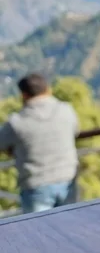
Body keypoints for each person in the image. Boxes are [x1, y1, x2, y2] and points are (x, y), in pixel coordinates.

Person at [0, 74, 79, 213]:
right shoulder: (66, 110)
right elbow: (76, 131)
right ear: (48, 89)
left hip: (36, 184)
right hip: (68, 178)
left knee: (40, 232)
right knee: (71, 229)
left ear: (23, 95)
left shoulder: (17, 121)